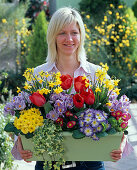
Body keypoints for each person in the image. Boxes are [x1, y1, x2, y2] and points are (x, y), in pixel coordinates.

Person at [12, 7, 126, 170]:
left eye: (74, 32)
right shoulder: (39, 74)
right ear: (53, 36)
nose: (69, 39)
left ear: (81, 36)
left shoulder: (97, 74)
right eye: (62, 33)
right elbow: (20, 116)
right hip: (48, 162)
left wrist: (120, 144)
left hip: (90, 163)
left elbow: (119, 115)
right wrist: (21, 144)